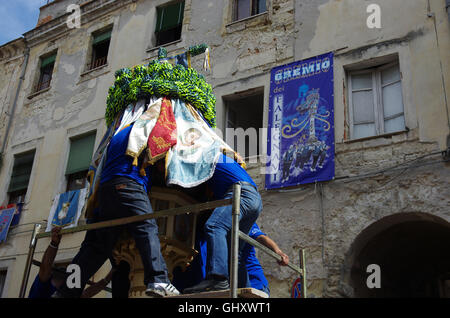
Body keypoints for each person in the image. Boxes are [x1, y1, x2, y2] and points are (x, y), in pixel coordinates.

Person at [57, 122, 179, 298]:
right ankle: (158, 280)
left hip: (104, 191)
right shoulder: (151, 125)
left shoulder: (118, 132)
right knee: (147, 227)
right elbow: (163, 161)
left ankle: (67, 291)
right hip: (128, 183)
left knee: (95, 248)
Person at [183, 153, 262, 294]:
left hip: (240, 193)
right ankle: (243, 288)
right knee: (233, 248)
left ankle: (217, 278)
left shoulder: (204, 154)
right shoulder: (226, 160)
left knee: (214, 226)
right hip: (254, 198)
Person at [28, 227, 114, 298]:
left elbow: (45, 268)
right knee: (93, 249)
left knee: (90, 248)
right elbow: (87, 294)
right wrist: (109, 276)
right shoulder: (69, 283)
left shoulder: (43, 288)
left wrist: (54, 243)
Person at [242, 223, 289, 297]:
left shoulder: (243, 220)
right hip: (235, 284)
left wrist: (278, 252)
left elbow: (260, 237)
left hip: (255, 283)